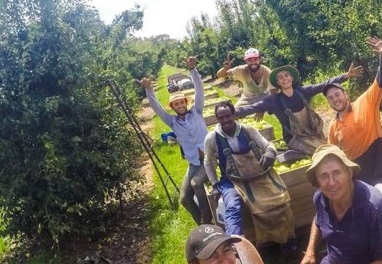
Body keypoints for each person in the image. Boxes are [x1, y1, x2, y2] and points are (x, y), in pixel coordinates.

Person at [203, 101, 294, 248]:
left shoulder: (248, 130)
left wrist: (270, 153)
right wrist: (214, 184)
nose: (225, 120)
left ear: (234, 115)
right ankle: (236, 248)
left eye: (228, 116)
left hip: (257, 173)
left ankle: (286, 239)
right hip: (232, 179)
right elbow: (208, 162)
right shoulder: (212, 138)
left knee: (280, 198)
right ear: (217, 119)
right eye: (221, 117)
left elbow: (268, 145)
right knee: (232, 206)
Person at [234, 63, 364, 161]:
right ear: (277, 82)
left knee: (330, 149)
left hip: (314, 134)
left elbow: (324, 84)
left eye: (286, 75)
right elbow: (252, 107)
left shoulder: (303, 92)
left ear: (291, 78)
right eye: (280, 77)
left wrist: (346, 76)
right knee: (327, 152)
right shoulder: (274, 100)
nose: (284, 79)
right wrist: (232, 112)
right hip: (295, 138)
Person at [138, 56, 212, 224]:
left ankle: (207, 221)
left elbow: (199, 90)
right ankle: (200, 221)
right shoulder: (172, 121)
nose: (180, 106)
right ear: (172, 107)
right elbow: (156, 108)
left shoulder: (197, 111)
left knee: (197, 183)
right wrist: (149, 90)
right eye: (176, 104)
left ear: (186, 102)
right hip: (194, 163)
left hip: (209, 159)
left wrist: (193, 70)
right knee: (185, 198)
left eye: (181, 103)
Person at [323, 36, 382, 186]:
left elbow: (381, 80)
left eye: (337, 94)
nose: (335, 99)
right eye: (330, 98)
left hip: (379, 171)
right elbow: (332, 154)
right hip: (356, 178)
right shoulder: (333, 127)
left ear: (346, 95)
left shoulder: (366, 102)